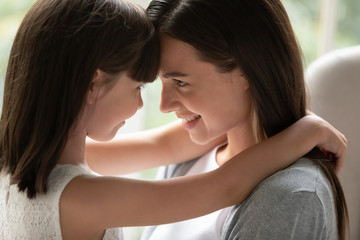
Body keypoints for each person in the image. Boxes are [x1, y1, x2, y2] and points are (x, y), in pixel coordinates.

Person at [0, 0, 347, 239]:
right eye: (141, 85)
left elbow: (162, 144)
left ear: (248, 72)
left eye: (179, 81)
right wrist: (307, 131)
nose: (156, 105)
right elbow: (222, 186)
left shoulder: (21, 164)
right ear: (93, 81)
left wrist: (279, 114)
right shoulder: (79, 197)